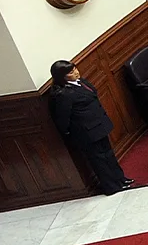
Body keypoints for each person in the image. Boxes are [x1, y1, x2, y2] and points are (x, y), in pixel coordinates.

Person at [48, 61, 132, 195]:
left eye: (75, 69)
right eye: (70, 72)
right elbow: (63, 117)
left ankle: (120, 179)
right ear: (61, 77)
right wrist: (68, 132)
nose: (76, 72)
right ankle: (111, 186)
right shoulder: (63, 94)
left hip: (99, 124)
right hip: (87, 131)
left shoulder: (82, 82)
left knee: (109, 154)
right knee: (99, 159)